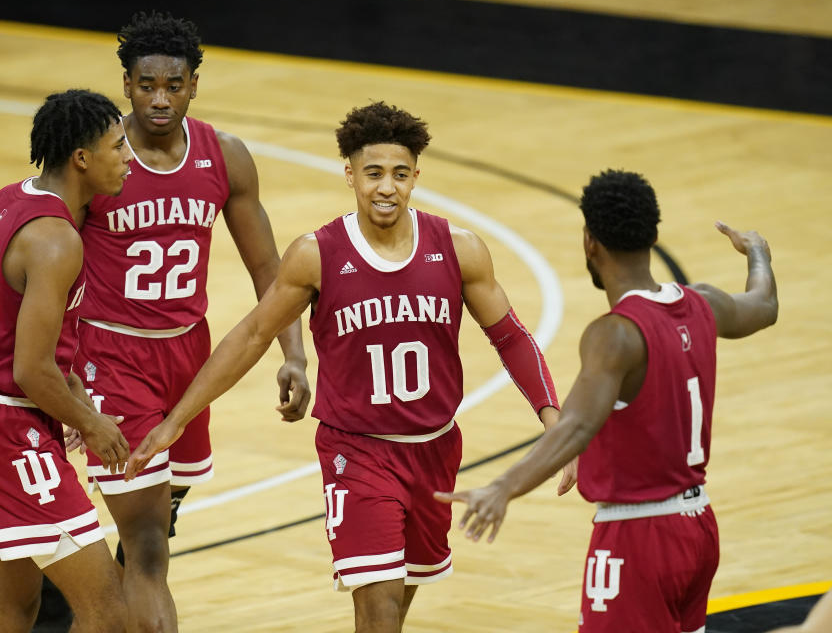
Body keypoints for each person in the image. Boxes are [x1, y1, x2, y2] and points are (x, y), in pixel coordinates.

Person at [125, 101, 574, 632]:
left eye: (400, 175)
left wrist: (555, 422)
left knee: (396, 607)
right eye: (374, 173)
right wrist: (177, 419)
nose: (387, 187)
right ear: (350, 174)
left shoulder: (458, 249)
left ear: (416, 178)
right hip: (356, 452)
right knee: (378, 607)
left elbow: (512, 338)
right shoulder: (318, 254)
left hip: (435, 450)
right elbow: (251, 335)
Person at [435, 170, 779, 633]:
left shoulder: (614, 333)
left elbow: (576, 426)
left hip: (637, 537)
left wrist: (503, 488)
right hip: (697, 526)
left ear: (589, 242)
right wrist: (758, 253)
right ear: (653, 236)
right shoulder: (704, 303)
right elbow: (764, 305)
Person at [60, 10, 310, 632]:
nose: (160, 99)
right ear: (126, 85)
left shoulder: (225, 156)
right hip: (112, 359)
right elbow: (47, 272)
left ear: (195, 83)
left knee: (158, 524)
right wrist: (64, 381)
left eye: (174, 85)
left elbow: (268, 270)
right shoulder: (95, 159)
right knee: (148, 545)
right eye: (147, 85)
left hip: (189, 361)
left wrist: (295, 354)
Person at [0, 89, 132, 632]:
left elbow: (17, 336)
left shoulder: (11, 197)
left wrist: (72, 400)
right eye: (117, 147)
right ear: (81, 158)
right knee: (108, 609)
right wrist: (91, 424)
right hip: (8, 424)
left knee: (14, 608)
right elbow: (30, 369)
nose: (127, 158)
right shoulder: (56, 240)